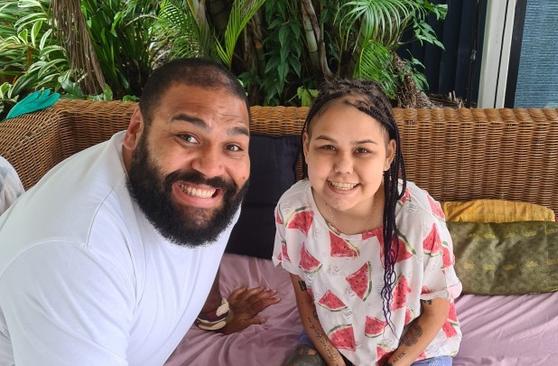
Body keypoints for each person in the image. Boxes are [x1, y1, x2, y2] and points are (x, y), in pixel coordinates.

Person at [0, 58, 278, 365]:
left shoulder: (215, 191)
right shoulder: (76, 254)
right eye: (187, 137)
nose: (211, 167)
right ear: (135, 131)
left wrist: (214, 315)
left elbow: (203, 245)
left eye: (233, 146)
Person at [273, 79, 462, 366]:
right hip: (332, 340)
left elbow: (436, 309)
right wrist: (335, 361)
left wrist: (396, 361)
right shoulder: (292, 211)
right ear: (307, 146)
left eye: (362, 150)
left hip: (415, 351)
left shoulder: (418, 219)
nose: (343, 167)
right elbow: (305, 301)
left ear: (388, 155)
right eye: (327, 147)